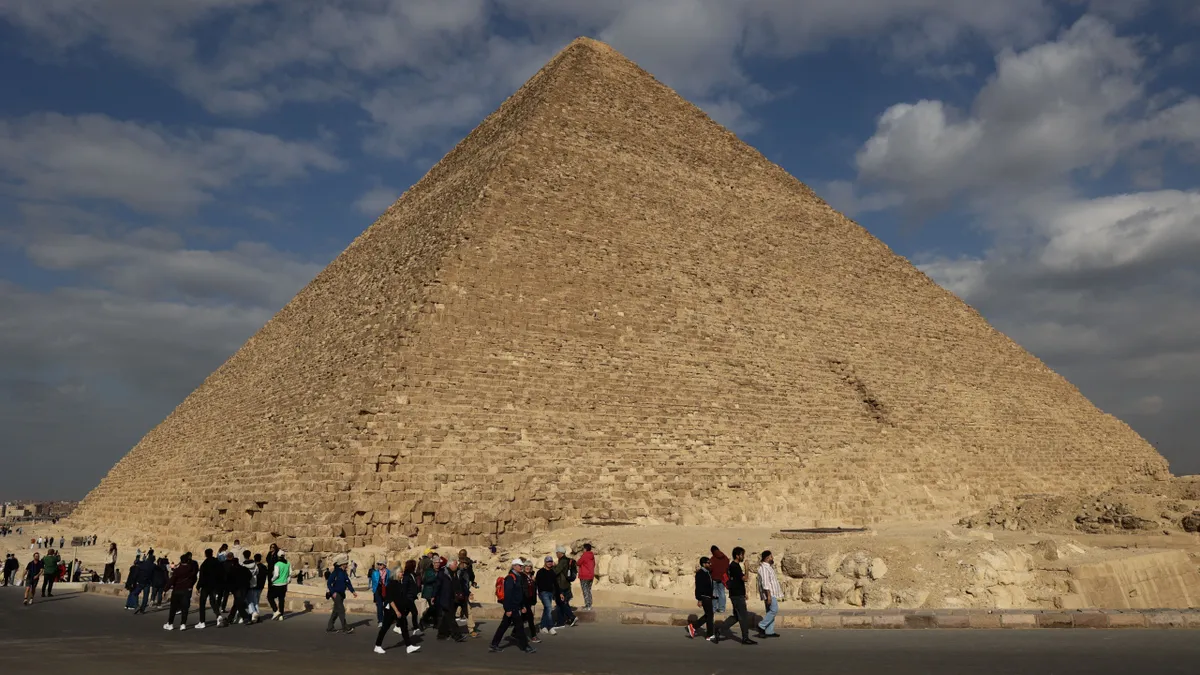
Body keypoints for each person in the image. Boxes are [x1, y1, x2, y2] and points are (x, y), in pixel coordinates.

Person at [374, 560, 420, 655]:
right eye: (400, 572)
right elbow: (390, 599)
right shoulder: (391, 584)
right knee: (385, 628)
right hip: (391, 611)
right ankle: (377, 646)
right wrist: (396, 611)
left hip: (399, 609)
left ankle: (409, 646)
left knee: (404, 627)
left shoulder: (399, 584)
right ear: (396, 574)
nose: (402, 573)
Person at [489, 559, 534, 653]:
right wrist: (508, 609)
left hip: (516, 606)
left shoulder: (518, 577)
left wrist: (522, 606)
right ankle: (525, 646)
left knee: (504, 626)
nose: (521, 567)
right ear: (514, 566)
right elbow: (508, 595)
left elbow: (519, 594)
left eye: (521, 566)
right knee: (519, 627)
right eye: (520, 566)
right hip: (512, 607)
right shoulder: (510, 578)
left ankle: (494, 644)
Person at [726, 547, 756, 645]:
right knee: (743, 616)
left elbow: (737, 581)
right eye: (742, 555)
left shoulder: (734, 566)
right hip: (737, 595)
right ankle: (745, 638)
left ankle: (719, 630)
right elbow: (745, 579)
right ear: (737, 556)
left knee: (736, 616)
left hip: (737, 594)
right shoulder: (735, 566)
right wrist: (747, 567)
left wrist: (744, 593)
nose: (743, 557)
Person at [435, 560, 468, 642]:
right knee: (451, 618)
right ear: (450, 565)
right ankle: (457, 635)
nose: (457, 565)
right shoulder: (443, 573)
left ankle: (441, 634)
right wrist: (433, 596)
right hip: (446, 598)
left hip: (454, 598)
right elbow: (437, 585)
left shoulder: (456, 573)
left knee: (446, 617)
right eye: (455, 564)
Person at [164, 552, 198, 631]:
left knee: (173, 608)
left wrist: (165, 589)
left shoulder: (177, 570)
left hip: (177, 590)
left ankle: (170, 623)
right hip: (186, 590)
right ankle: (183, 624)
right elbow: (194, 578)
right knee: (185, 608)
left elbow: (172, 580)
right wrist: (190, 585)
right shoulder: (191, 570)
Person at [687, 556, 718, 643]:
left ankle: (694, 627)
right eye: (708, 563)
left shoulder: (707, 572)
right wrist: (699, 599)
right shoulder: (700, 573)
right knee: (710, 615)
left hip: (708, 596)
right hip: (704, 597)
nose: (710, 564)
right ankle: (709, 635)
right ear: (704, 564)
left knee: (709, 615)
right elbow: (698, 587)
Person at [221, 551, 253, 628]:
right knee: (236, 604)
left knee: (238, 604)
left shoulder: (232, 570)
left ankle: (246, 618)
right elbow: (250, 576)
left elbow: (228, 580)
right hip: (245, 588)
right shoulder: (244, 569)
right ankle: (230, 619)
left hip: (237, 589)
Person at [325, 559, 358, 633]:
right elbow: (329, 583)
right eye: (346, 564)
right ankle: (345, 627)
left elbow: (348, 583)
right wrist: (333, 592)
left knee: (336, 611)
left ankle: (330, 627)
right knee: (341, 609)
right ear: (342, 565)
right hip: (336, 594)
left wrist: (353, 591)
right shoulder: (336, 572)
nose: (347, 565)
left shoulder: (344, 573)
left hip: (342, 594)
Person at [195, 548, 224, 628]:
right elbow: (222, 574)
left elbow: (201, 577)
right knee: (213, 601)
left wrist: (198, 587)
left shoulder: (204, 564)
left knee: (202, 603)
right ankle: (218, 616)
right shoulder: (217, 562)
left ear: (205, 554)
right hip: (215, 585)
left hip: (206, 586)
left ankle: (202, 621)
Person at [756, 550, 782, 639]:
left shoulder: (768, 567)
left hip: (771, 593)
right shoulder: (764, 568)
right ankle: (761, 625)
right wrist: (769, 596)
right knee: (774, 610)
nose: (772, 558)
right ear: (767, 558)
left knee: (769, 611)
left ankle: (769, 631)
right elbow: (765, 583)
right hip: (769, 593)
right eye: (771, 556)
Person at [552, 546, 578, 627]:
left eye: (557, 553)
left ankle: (570, 618)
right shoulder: (567, 560)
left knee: (560, 603)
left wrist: (553, 566)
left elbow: (556, 572)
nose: (556, 554)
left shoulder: (563, 561)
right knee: (564, 603)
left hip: (561, 585)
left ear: (560, 553)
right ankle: (564, 620)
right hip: (567, 584)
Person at [535, 556, 559, 635]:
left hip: (550, 593)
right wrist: (537, 592)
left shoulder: (552, 572)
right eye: (548, 561)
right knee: (549, 608)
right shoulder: (540, 572)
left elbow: (556, 584)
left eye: (551, 561)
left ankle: (543, 626)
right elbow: (537, 583)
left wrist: (560, 593)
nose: (549, 563)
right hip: (543, 593)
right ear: (545, 562)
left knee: (546, 609)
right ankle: (550, 626)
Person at [398, 560, 423, 636]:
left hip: (412, 597)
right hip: (408, 597)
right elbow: (404, 588)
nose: (415, 567)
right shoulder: (406, 576)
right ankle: (416, 628)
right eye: (414, 565)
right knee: (414, 612)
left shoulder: (412, 574)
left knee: (405, 613)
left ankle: (398, 625)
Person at [521, 560, 541, 642]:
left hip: (530, 599)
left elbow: (534, 587)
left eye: (529, 566)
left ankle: (514, 633)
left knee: (523, 618)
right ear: (524, 567)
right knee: (530, 618)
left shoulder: (532, 576)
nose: (528, 568)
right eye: (526, 566)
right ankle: (533, 636)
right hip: (524, 599)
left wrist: (535, 581)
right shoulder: (521, 576)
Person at [268, 552, 291, 620]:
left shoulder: (277, 564)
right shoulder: (288, 563)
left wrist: (272, 580)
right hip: (284, 584)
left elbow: (276, 575)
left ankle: (276, 611)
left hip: (276, 584)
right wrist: (287, 581)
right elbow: (290, 573)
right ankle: (281, 615)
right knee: (281, 600)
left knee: (270, 597)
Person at [369, 560, 392, 627]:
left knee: (387, 605)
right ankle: (380, 620)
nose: (379, 566)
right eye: (378, 564)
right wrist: (374, 591)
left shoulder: (388, 572)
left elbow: (390, 581)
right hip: (378, 590)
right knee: (379, 606)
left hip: (386, 589)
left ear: (384, 565)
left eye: (380, 564)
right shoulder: (375, 573)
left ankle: (387, 618)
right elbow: (373, 582)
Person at [709, 545, 730, 614]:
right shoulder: (725, 558)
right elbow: (727, 567)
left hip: (714, 577)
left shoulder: (712, 559)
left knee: (714, 593)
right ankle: (722, 608)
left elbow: (710, 568)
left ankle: (714, 608)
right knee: (722, 593)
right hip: (722, 578)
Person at [247, 552, 266, 622]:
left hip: (255, 586)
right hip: (261, 586)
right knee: (256, 601)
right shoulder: (264, 567)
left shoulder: (254, 567)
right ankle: (256, 616)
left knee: (252, 601)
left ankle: (253, 615)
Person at [578, 543, 596, 611]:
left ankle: (587, 605)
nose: (582, 550)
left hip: (584, 576)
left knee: (585, 590)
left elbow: (578, 563)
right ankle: (589, 604)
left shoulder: (584, 555)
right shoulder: (592, 556)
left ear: (585, 549)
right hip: (591, 575)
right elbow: (594, 564)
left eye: (583, 549)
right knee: (588, 590)